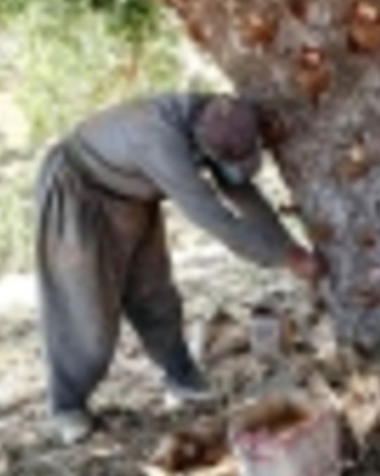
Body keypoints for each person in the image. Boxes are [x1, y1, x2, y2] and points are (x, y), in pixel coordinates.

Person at [34, 93, 324, 444]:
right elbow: (214, 218)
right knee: (85, 310)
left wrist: (288, 248)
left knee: (155, 295)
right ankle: (67, 405)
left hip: (132, 195)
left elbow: (242, 193)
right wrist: (286, 260)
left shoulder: (219, 116)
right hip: (79, 194)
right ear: (200, 139)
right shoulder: (157, 138)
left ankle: (181, 375)